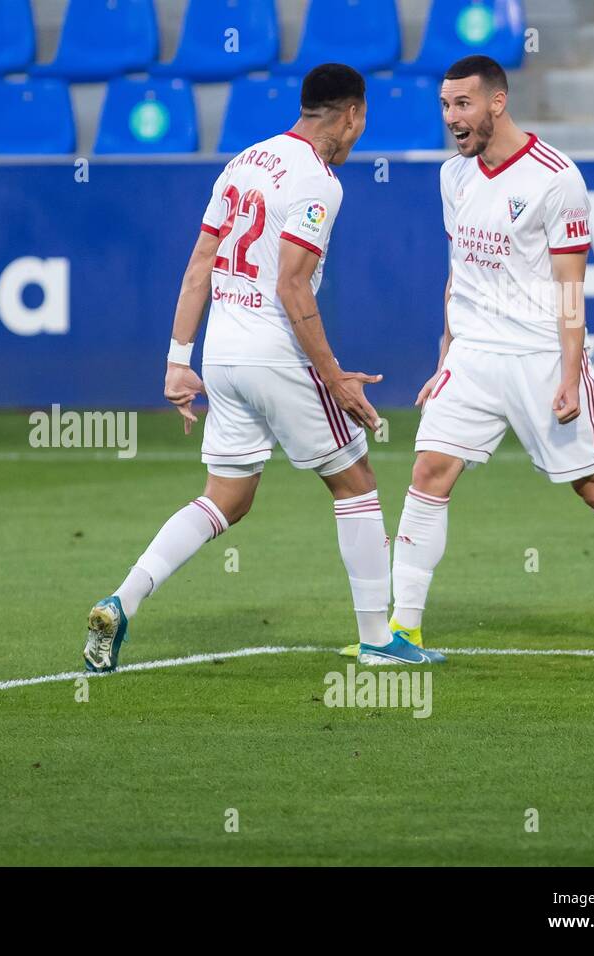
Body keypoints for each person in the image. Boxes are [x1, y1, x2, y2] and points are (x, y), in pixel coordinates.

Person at [83, 65, 446, 672]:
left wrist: (177, 360)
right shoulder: (319, 181)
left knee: (227, 496)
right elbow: (293, 285)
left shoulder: (243, 162)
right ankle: (379, 639)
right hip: (276, 354)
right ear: (352, 115)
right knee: (355, 483)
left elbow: (200, 261)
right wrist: (333, 376)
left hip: (222, 355)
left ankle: (123, 599)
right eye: (362, 122)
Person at [379, 54, 594, 654]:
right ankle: (403, 629)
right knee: (428, 474)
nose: (452, 117)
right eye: (446, 105)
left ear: (497, 102)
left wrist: (571, 376)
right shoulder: (454, 176)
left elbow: (570, 289)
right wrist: (444, 355)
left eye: (463, 104)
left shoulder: (556, 178)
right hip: (473, 355)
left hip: (539, 355)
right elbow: (459, 273)